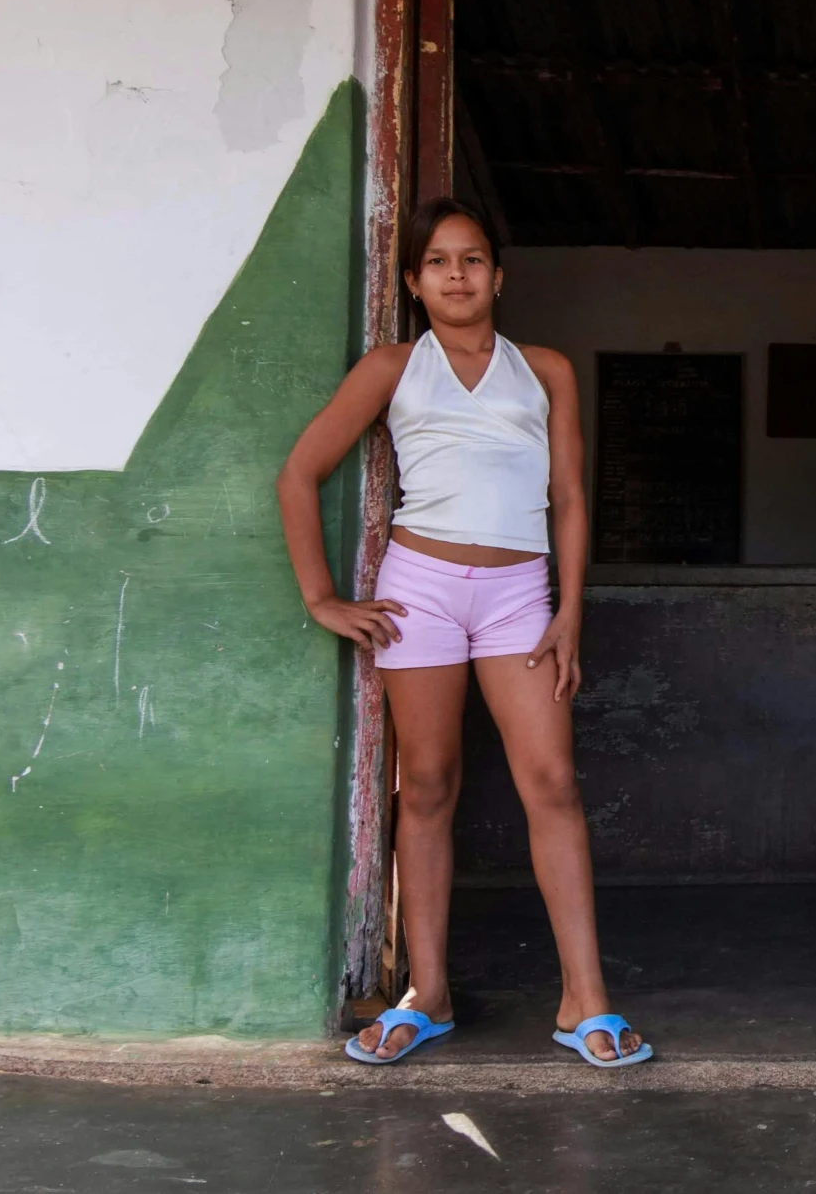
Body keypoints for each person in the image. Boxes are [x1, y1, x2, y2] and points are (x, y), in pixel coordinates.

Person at [277, 196, 649, 1068]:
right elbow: (299, 473)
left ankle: (585, 1001)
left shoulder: (547, 369)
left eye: (473, 259)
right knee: (430, 782)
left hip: (521, 592)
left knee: (552, 782)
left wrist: (569, 609)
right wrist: (322, 598)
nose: (456, 274)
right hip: (423, 590)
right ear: (414, 282)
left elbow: (569, 499)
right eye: (438, 261)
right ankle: (428, 994)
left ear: (498, 276)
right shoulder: (392, 368)